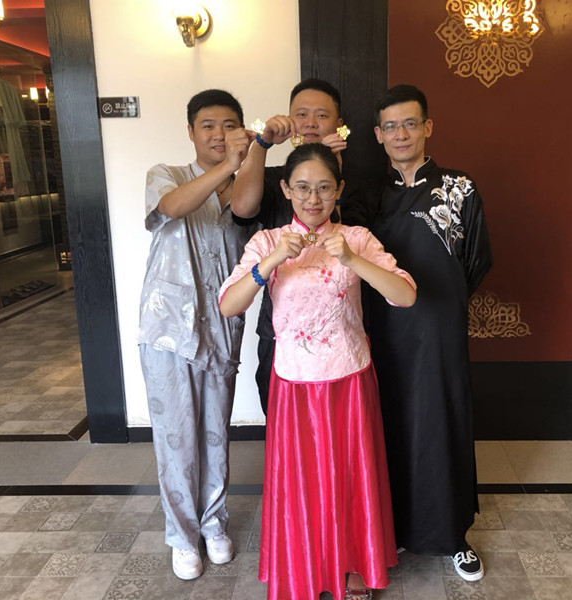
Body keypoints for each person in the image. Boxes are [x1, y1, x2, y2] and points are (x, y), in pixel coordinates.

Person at [219, 144, 416, 600]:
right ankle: (304, 564)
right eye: (303, 187)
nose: (313, 198)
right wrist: (271, 262)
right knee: (301, 483)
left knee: (350, 478)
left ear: (339, 190)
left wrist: (352, 260)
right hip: (293, 383)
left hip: (350, 378)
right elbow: (229, 304)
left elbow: (405, 295)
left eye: (324, 188)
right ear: (285, 189)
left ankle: (352, 564)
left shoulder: (356, 238)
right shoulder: (267, 242)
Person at [341, 84, 493, 581]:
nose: (401, 134)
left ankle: (453, 536)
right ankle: (393, 531)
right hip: (382, 331)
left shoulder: (460, 189)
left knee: (443, 424)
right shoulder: (364, 195)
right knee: (387, 425)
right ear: (377, 135)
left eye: (410, 123)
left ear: (427, 126)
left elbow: (476, 261)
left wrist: (442, 306)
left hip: (440, 329)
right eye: (391, 126)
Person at [137, 89, 257, 581]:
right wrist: (227, 165)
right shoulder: (166, 174)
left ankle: (213, 523)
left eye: (229, 125)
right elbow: (172, 206)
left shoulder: (245, 189)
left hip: (221, 328)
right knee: (176, 438)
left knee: (214, 434)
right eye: (208, 125)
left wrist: (246, 164)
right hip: (168, 329)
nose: (218, 134)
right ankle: (182, 536)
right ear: (191, 131)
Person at [228, 78, 346, 416]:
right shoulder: (275, 178)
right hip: (281, 329)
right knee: (283, 424)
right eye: (301, 114)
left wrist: (336, 167)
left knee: (337, 425)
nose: (311, 123)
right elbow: (242, 208)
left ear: (339, 124)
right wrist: (262, 143)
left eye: (321, 115)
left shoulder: (355, 179)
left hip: (340, 331)